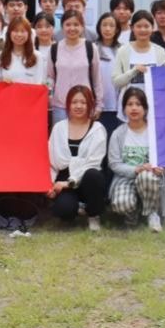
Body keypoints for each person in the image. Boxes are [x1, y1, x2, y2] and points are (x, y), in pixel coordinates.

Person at [48, 86, 108, 231]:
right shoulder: (59, 128)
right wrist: (50, 184)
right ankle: (76, 208)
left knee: (93, 175)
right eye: (74, 102)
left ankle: (93, 214)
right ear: (68, 105)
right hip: (64, 177)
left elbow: (93, 163)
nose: (79, 106)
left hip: (87, 178)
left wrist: (69, 183)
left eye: (83, 102)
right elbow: (51, 160)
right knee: (64, 210)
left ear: (90, 105)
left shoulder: (97, 129)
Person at [108, 87, 165, 231]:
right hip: (125, 178)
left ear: (145, 108)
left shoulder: (154, 132)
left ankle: (152, 214)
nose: (134, 108)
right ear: (124, 109)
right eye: (130, 104)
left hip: (150, 179)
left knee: (146, 176)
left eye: (138, 104)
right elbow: (114, 164)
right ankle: (132, 214)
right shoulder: (118, 134)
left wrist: (161, 168)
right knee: (121, 204)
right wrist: (136, 169)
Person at [48, 11, 102, 123]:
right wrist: (49, 95)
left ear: (82, 27)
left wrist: (99, 104)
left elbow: (97, 78)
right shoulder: (54, 49)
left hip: (84, 105)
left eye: (76, 24)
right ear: (62, 27)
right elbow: (50, 77)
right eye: (68, 24)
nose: (72, 28)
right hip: (60, 106)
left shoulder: (90, 48)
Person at [112, 10, 165, 114]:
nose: (142, 30)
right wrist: (134, 71)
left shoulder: (160, 52)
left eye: (146, 26)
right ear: (132, 28)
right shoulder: (123, 51)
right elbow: (116, 82)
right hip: (129, 109)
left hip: (155, 108)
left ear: (152, 28)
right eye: (138, 26)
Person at [95, 13, 123, 134]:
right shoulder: (92, 48)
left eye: (111, 26)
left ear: (117, 29)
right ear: (99, 27)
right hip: (97, 106)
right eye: (104, 25)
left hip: (117, 106)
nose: (107, 29)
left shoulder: (122, 50)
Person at [0, 17, 46, 85]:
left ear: (29, 34)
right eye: (15, 31)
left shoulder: (37, 56)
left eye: (23, 31)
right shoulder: (1, 56)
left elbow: (39, 83)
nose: (19, 34)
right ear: (9, 33)